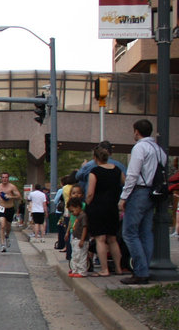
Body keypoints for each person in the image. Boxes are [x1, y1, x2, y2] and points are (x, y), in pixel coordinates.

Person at [120, 119, 165, 285]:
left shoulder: (140, 147)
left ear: (136, 131)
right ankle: (145, 269)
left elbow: (132, 174)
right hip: (153, 192)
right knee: (146, 232)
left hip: (139, 191)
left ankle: (140, 271)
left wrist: (124, 197)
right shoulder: (158, 150)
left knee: (130, 233)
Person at [85, 144, 124, 277]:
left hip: (98, 208)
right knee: (112, 239)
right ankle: (118, 268)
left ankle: (104, 269)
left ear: (95, 158)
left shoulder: (94, 172)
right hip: (112, 207)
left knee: (100, 239)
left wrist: (87, 205)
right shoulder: (117, 170)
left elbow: (90, 193)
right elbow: (125, 183)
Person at [0, 172, 21, 253]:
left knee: (8, 227)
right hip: (1, 208)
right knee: (2, 225)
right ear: (1, 178)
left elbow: (19, 196)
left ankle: (7, 236)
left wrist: (11, 196)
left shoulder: (12, 187)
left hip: (10, 208)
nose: (4, 179)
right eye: (3, 177)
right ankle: (2, 245)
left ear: (8, 178)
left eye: (6, 177)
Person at [67, 198, 90, 277]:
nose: (72, 213)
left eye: (73, 211)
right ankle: (75, 270)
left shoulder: (83, 216)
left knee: (81, 256)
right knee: (76, 255)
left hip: (81, 239)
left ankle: (82, 271)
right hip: (76, 239)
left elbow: (85, 228)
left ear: (78, 207)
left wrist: (82, 240)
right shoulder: (78, 216)